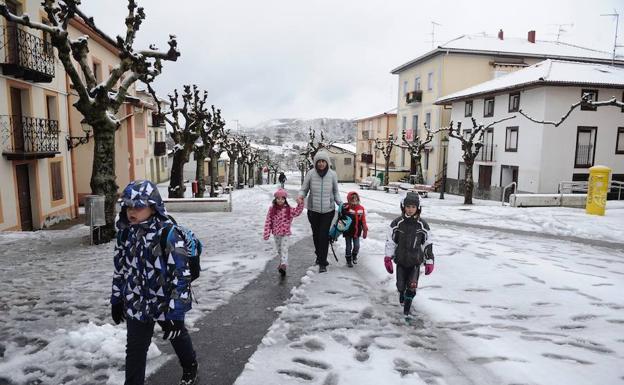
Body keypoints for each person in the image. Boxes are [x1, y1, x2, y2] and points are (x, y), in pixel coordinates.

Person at [111, 180, 198, 385]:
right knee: (135, 349)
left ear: (153, 206)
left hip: (164, 301)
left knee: (177, 336)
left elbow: (181, 275)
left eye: (139, 206)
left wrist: (176, 313)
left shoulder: (168, 234)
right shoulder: (125, 233)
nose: (132, 211)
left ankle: (190, 365)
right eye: (129, 206)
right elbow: (120, 269)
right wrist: (117, 299)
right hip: (136, 300)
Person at [384, 192, 435, 317]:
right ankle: (401, 293)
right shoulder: (397, 223)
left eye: (413, 207)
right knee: (401, 285)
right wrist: (388, 258)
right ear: (403, 207)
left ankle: (406, 311)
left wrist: (429, 261)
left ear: (418, 208)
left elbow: (427, 243)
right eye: (408, 207)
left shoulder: (422, 225)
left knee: (412, 287)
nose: (410, 209)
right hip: (401, 260)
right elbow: (390, 241)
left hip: (415, 261)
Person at [297, 151, 342, 273]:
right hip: (313, 210)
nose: (321, 164)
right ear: (315, 163)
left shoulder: (333, 175)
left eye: (323, 161)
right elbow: (304, 189)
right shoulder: (310, 174)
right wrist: (300, 196)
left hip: (328, 211)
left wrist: (341, 204)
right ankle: (319, 255)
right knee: (316, 235)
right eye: (319, 162)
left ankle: (323, 262)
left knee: (323, 236)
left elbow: (336, 192)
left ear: (327, 162)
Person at [263, 188, 304, 276]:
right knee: (279, 250)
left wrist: (300, 204)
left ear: (285, 199)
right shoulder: (272, 210)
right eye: (278, 199)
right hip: (276, 233)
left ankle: (283, 265)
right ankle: (282, 263)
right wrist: (267, 233)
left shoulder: (288, 209)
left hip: (285, 233)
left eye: (282, 199)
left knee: (284, 249)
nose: (280, 200)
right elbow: (268, 221)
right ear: (275, 199)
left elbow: (297, 212)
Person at [341, 191, 368, 268]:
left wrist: (365, 229)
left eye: (356, 199)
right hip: (348, 231)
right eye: (352, 199)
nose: (354, 201)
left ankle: (354, 255)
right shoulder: (347, 208)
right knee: (348, 246)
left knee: (357, 246)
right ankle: (348, 260)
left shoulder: (361, 208)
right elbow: (342, 219)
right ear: (349, 200)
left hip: (357, 231)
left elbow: (363, 220)